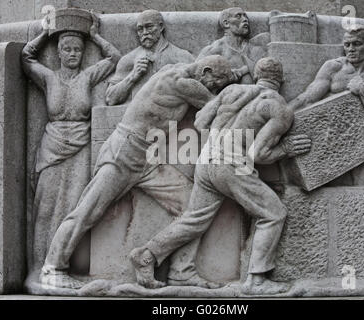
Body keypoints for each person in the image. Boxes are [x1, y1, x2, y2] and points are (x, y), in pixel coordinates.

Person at [39, 55, 234, 289]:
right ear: (206, 72)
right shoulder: (184, 83)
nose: (215, 86)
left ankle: (181, 271)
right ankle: (53, 269)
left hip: (148, 157)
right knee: (88, 210)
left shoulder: (177, 68)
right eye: (216, 81)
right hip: (124, 152)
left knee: (192, 206)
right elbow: (220, 106)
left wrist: (232, 75)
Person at [130, 58, 312, 294]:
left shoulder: (232, 91)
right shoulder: (277, 106)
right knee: (273, 213)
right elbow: (259, 154)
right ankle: (256, 281)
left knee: (193, 220)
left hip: (206, 162)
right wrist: (286, 149)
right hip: (233, 166)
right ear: (282, 80)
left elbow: (200, 121)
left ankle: (146, 255)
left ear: (256, 76)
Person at [22, 13, 121, 284]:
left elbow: (114, 58)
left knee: (72, 207)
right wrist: (44, 32)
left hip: (80, 146)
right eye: (67, 49)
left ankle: (60, 268)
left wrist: (95, 36)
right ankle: (38, 269)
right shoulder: (48, 78)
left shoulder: (88, 77)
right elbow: (27, 57)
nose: (73, 53)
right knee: (45, 208)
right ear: (58, 52)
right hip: (52, 147)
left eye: (78, 49)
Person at [288, 24, 364, 185]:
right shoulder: (334, 68)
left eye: (357, 44)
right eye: (347, 44)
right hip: (329, 145)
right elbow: (307, 98)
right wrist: (282, 116)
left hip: (363, 147)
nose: (350, 49)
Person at [106, 9, 194, 106]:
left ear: (161, 27)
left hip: (173, 118)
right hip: (136, 119)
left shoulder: (182, 56)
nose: (145, 32)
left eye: (149, 27)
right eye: (140, 29)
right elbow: (110, 99)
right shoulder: (128, 60)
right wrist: (133, 75)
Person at [197, 7, 267, 85]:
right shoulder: (214, 50)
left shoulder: (255, 49)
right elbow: (196, 75)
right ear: (226, 23)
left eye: (245, 16)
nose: (245, 19)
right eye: (238, 16)